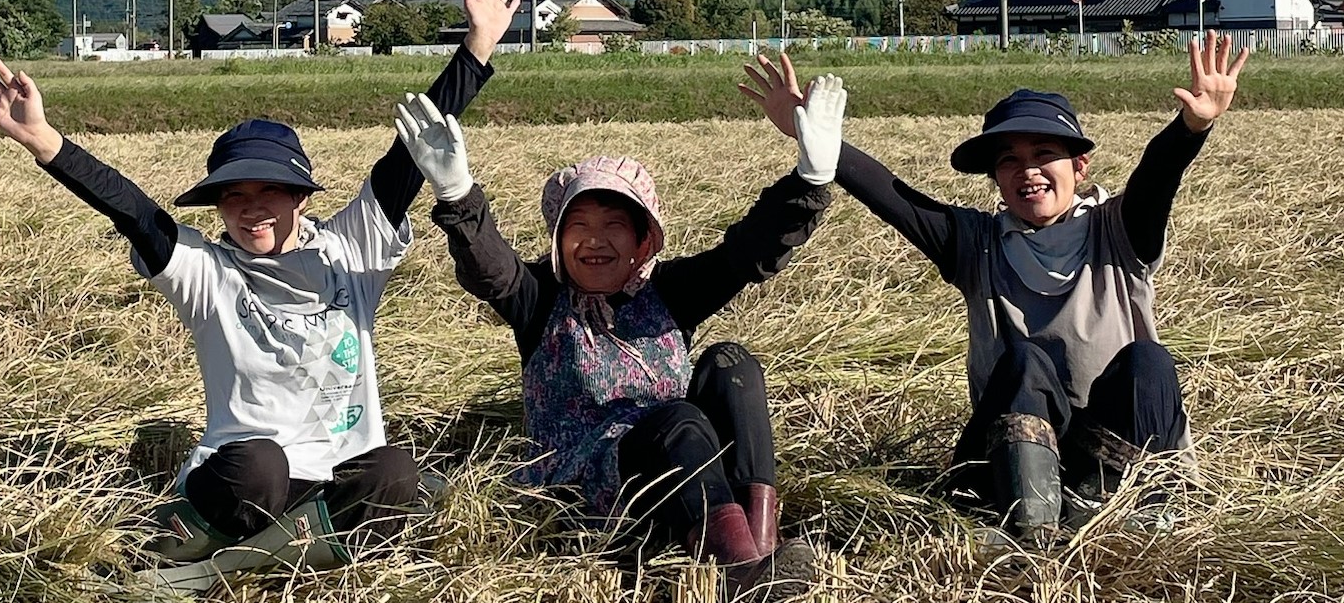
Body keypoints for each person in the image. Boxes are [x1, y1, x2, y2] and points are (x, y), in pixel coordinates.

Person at [0, 0, 520, 593]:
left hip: (333, 475)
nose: (251, 208)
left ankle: (229, 562)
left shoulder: (349, 247)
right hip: (244, 479)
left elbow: (410, 155)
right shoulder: (208, 271)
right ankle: (263, 547)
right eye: (234, 196)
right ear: (217, 204)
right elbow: (133, 209)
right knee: (262, 463)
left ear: (301, 197)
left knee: (395, 471)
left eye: (270, 192)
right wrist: (43, 140)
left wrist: (476, 48)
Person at [741, 32, 1248, 543]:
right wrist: (821, 146)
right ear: (996, 179)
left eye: (1045, 152)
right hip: (1010, 457)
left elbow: (1156, 179)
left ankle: (1130, 519)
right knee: (1024, 362)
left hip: (1117, 449)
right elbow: (899, 199)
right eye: (1009, 160)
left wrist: (1192, 127)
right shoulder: (977, 243)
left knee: (1148, 363)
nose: (1028, 170)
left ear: (1079, 165)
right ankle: (1031, 529)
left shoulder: (1119, 231)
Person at [392, 76, 847, 600]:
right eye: (577, 224)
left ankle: (754, 549)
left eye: (614, 225)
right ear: (559, 240)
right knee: (680, 419)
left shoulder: (669, 294)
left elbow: (746, 255)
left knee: (730, 364)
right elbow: (490, 269)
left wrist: (810, 181)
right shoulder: (540, 299)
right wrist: (457, 195)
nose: (595, 240)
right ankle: (740, 572)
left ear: (641, 241)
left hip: (678, 471)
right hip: (589, 488)